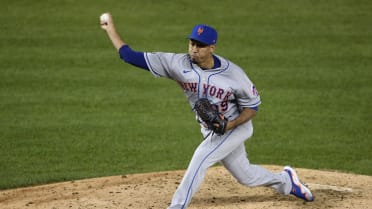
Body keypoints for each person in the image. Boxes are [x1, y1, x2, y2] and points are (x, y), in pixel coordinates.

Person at [100, 13, 314, 209]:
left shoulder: (234, 75)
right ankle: (287, 181)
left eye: (200, 45)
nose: (194, 48)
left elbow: (252, 108)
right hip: (211, 129)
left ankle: (177, 206)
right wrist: (111, 29)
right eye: (192, 42)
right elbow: (129, 56)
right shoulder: (177, 63)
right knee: (245, 176)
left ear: (212, 48)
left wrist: (230, 125)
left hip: (235, 126)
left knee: (201, 158)